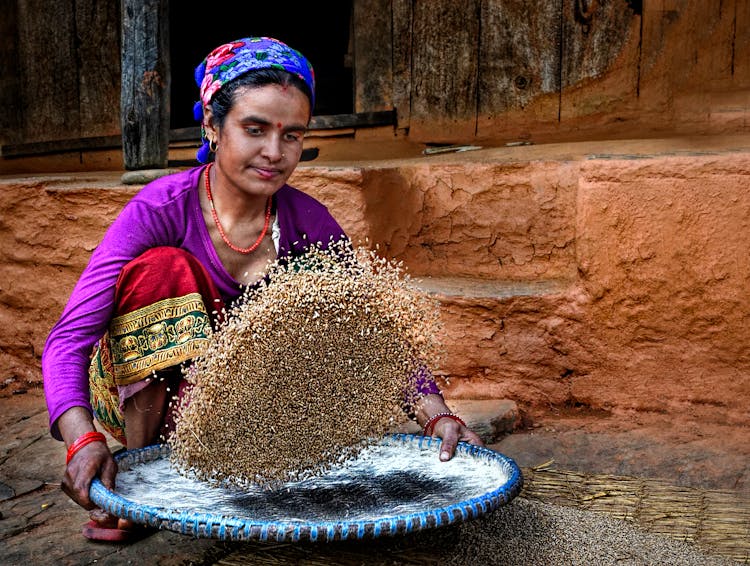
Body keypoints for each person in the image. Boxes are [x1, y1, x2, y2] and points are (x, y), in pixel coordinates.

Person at [42, 36, 482, 542]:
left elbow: (374, 340)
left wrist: (437, 417)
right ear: (212, 124)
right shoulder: (160, 209)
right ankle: (143, 488)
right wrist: (82, 442)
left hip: (248, 417)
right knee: (164, 271)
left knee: (323, 310)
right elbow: (68, 339)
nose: (274, 153)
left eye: (291, 135)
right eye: (254, 129)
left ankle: (232, 471)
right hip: (139, 398)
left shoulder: (310, 225)